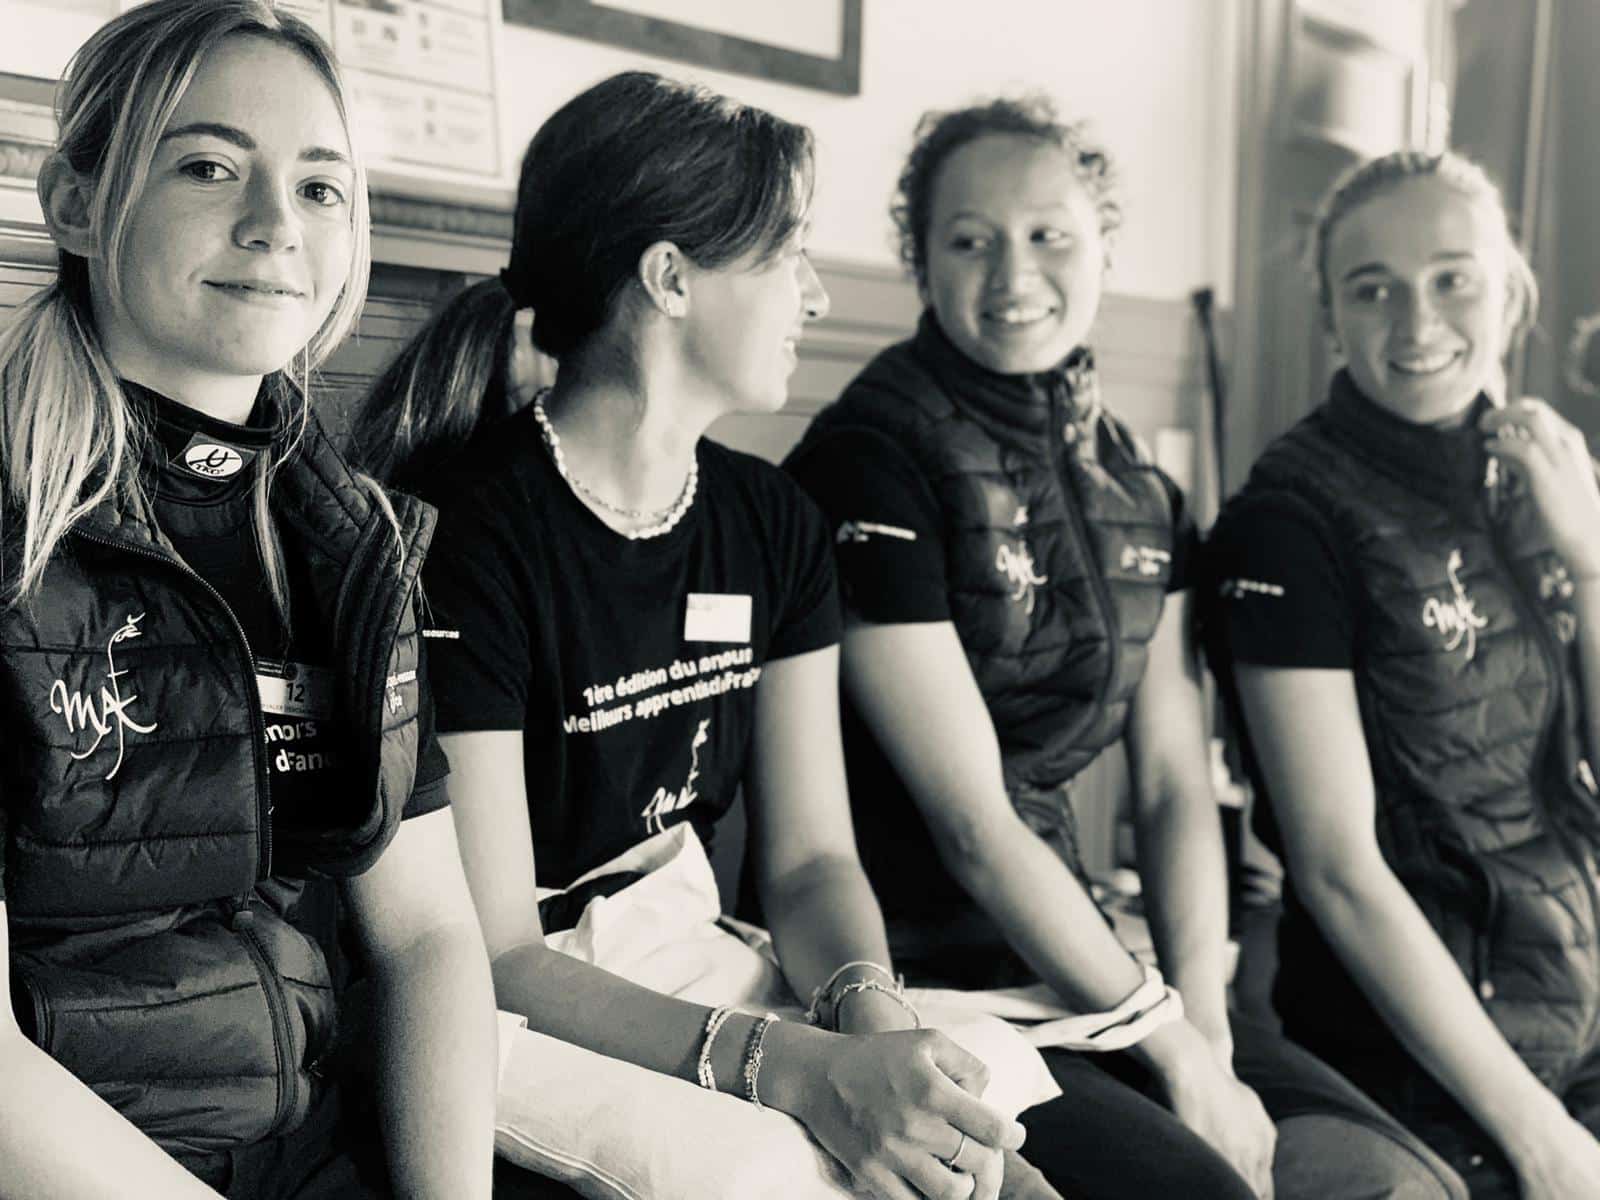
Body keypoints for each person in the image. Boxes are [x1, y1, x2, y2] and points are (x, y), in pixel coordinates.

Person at [354, 71, 1044, 1200]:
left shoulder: (772, 520)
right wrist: (795, 1069)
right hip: (523, 1004)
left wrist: (867, 1017)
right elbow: (499, 949)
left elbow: (812, 862)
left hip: (698, 956)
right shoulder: (468, 535)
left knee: (991, 1169)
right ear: (670, 278)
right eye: (788, 256)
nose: (815, 296)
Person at [784, 96, 1467, 1200]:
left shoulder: (1137, 481)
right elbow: (971, 825)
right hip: (922, 977)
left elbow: (1172, 784)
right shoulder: (868, 461)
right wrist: (1170, 1047)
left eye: (1049, 234)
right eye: (970, 241)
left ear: (1104, 240)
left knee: (1399, 1187)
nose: (1014, 274)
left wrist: (1204, 1019)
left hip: (1092, 958)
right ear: (921, 261)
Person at [0, 3, 498, 1196]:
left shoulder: (352, 542)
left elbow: (428, 937)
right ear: (75, 203)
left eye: (320, 187)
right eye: (208, 167)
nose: (277, 224)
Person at [1200, 149, 1600, 1200]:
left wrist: (1591, 563)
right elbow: (1337, 869)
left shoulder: (1541, 476)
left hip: (1577, 1017)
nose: (1417, 323)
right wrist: (1542, 1140)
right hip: (1418, 1072)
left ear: (1512, 292)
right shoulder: (1286, 525)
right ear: (1332, 318)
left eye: (1452, 278)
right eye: (1372, 289)